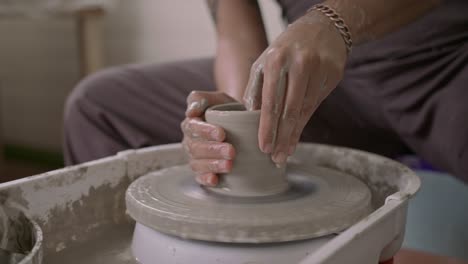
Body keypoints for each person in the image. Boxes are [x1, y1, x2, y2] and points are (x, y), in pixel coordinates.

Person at [64, 0, 468, 186]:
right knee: (98, 108)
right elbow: (235, 26)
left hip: (443, 64)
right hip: (324, 87)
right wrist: (237, 122)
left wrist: (334, 21)